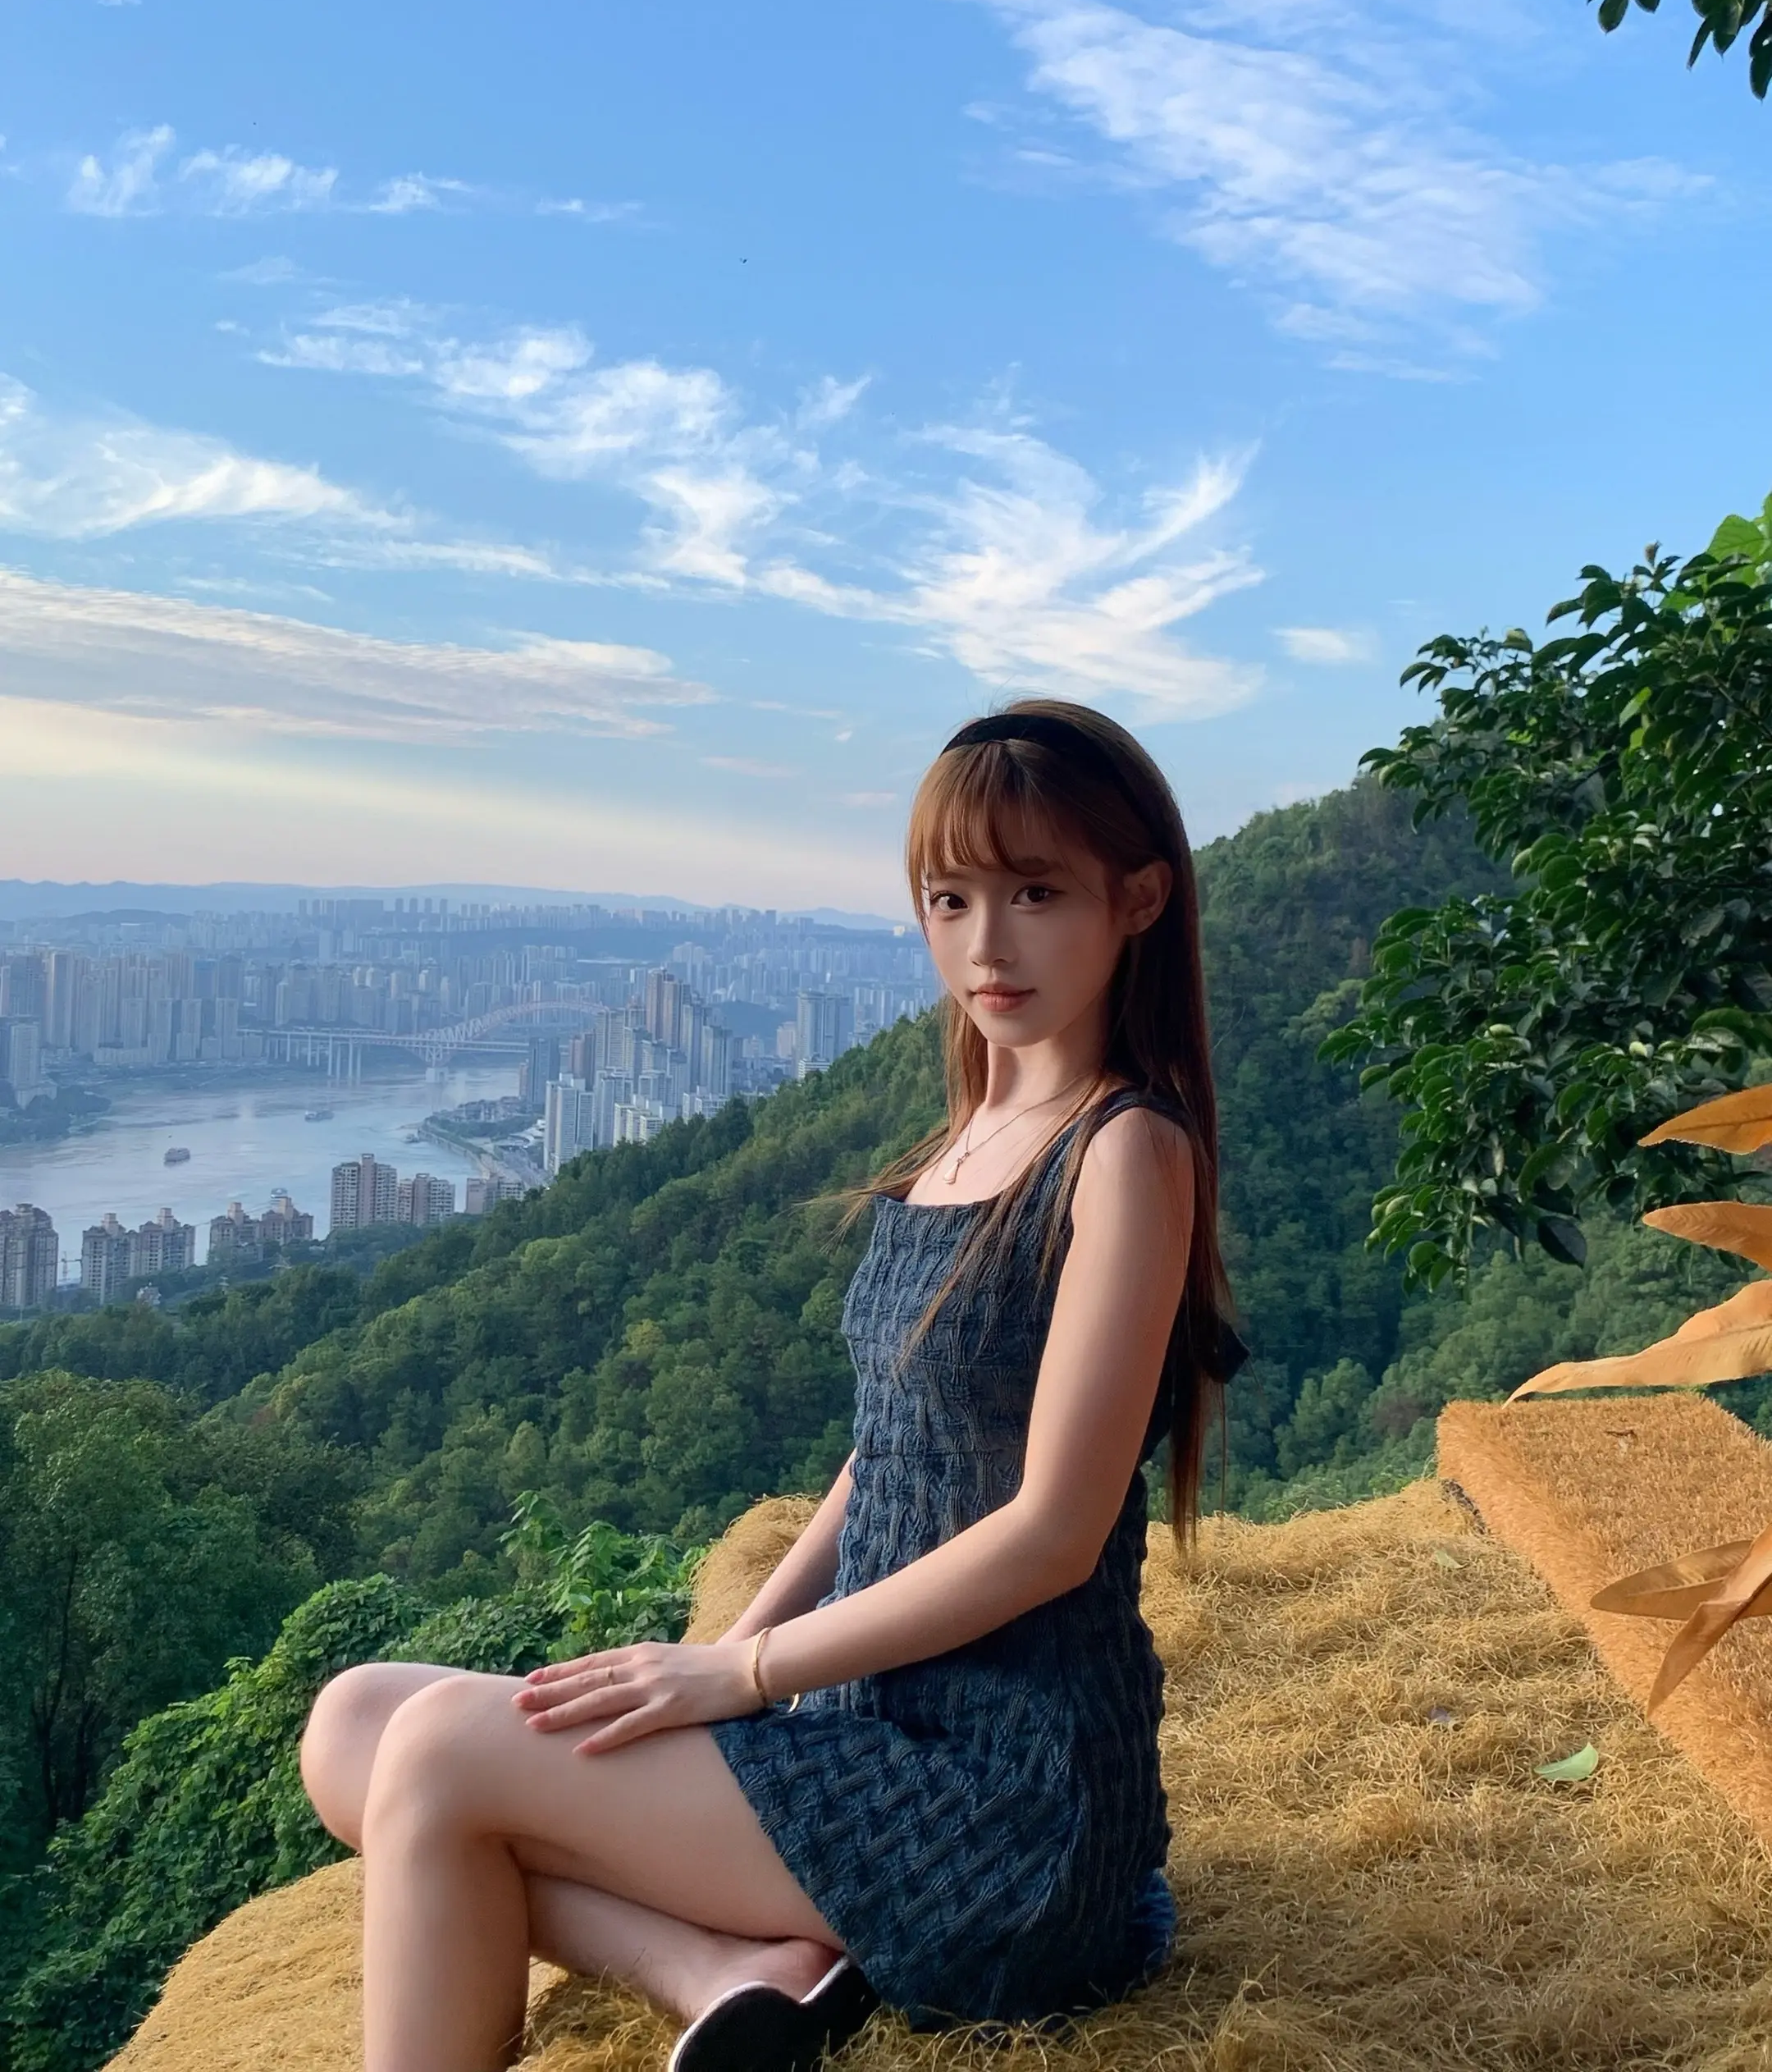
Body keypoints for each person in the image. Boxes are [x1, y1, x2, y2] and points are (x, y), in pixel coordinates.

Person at [299, 698, 1242, 2072]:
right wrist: (730, 1654)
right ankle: (733, 1974)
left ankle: (752, 1963)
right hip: (866, 1727)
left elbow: (1051, 1532)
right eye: (951, 899)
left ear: (1137, 899)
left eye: (1037, 894)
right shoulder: (972, 1127)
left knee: (439, 1753)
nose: (987, 943)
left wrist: (742, 1671)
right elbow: (890, 1449)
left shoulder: (1124, 1153)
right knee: (354, 1726)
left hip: (1006, 1804)